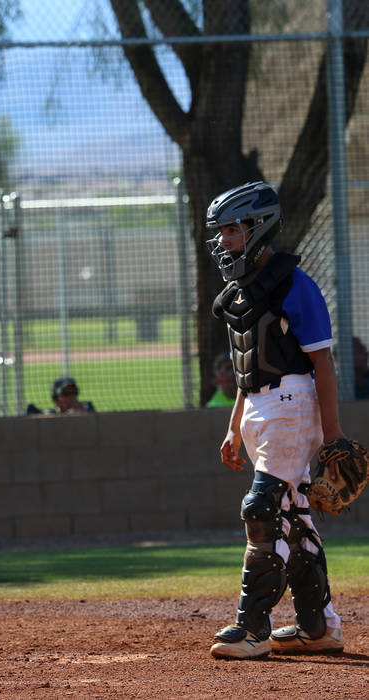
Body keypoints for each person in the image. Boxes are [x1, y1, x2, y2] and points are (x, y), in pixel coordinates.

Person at [205, 181, 346, 660]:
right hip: (261, 410)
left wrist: (334, 435)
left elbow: (322, 364)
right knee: (294, 517)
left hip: (294, 404)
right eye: (220, 232)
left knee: (261, 509)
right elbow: (247, 373)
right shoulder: (238, 296)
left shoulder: (295, 285)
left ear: (258, 226)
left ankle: (253, 628)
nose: (224, 241)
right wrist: (232, 426)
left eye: (232, 230)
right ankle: (319, 626)